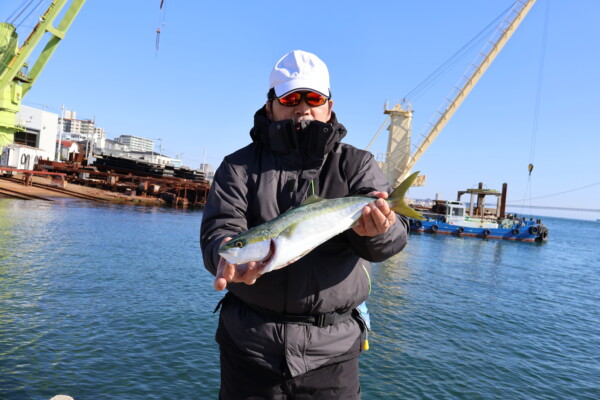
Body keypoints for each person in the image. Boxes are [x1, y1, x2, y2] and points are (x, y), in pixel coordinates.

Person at [200, 50, 409, 399]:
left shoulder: (356, 164)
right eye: (290, 97)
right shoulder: (238, 167)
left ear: (329, 106)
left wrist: (379, 231)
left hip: (333, 354)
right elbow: (220, 230)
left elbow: (395, 236)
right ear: (271, 105)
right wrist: (227, 255)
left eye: (313, 98)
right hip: (249, 348)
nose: (303, 107)